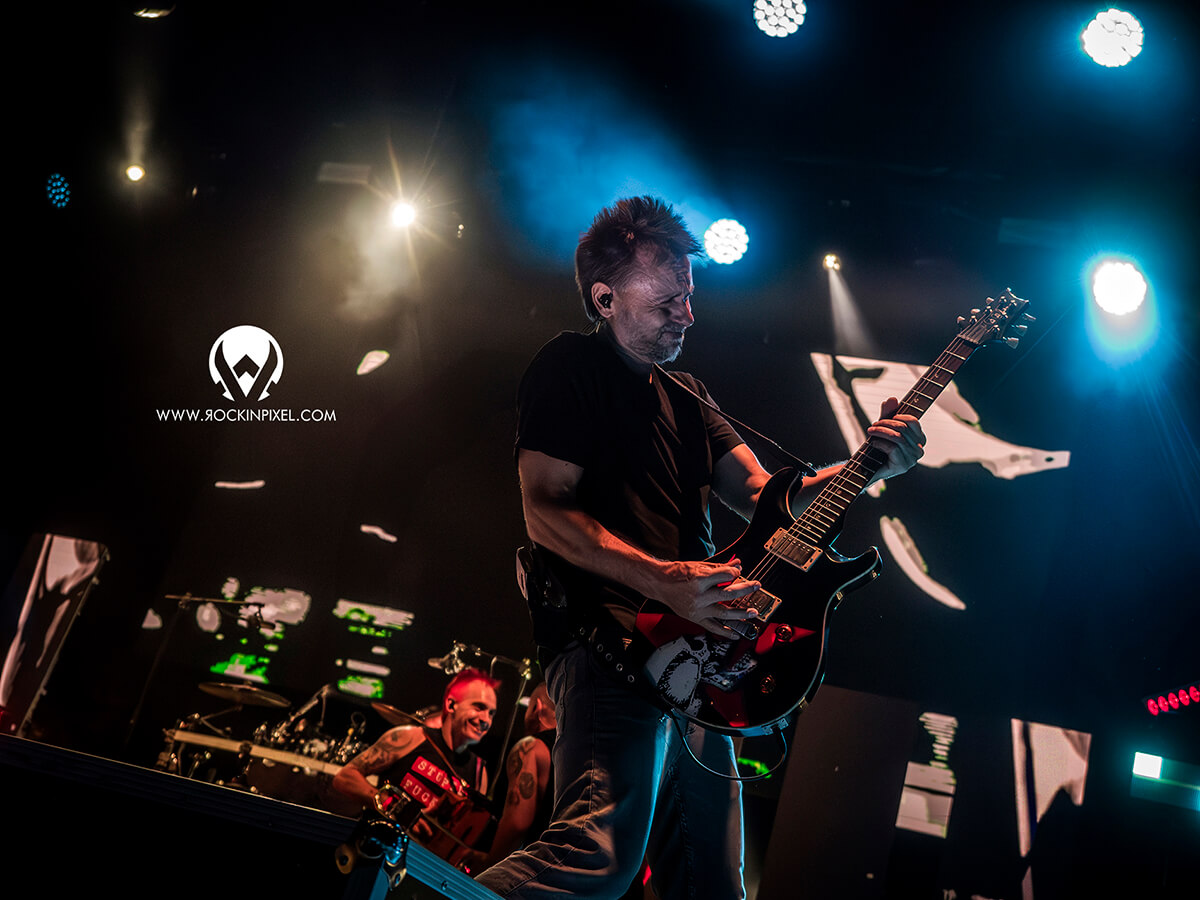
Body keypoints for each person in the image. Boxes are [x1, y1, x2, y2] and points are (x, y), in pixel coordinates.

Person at [475, 196, 926, 900]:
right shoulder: (570, 366)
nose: (687, 315)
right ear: (605, 299)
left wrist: (870, 465)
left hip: (701, 666)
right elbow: (546, 512)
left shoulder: (690, 396)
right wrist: (664, 581)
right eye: (665, 302)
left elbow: (766, 496)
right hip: (609, 645)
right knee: (596, 855)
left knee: (715, 886)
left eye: (688, 296)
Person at [332, 668, 499, 832]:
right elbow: (344, 777)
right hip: (379, 842)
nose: (486, 720)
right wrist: (395, 808)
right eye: (479, 707)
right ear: (451, 704)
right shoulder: (412, 737)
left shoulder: (479, 773)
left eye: (491, 713)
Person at [474, 682, 557, 870]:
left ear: (536, 708)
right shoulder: (579, 758)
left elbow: (516, 825)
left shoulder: (530, 748)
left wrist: (488, 867)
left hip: (534, 871)